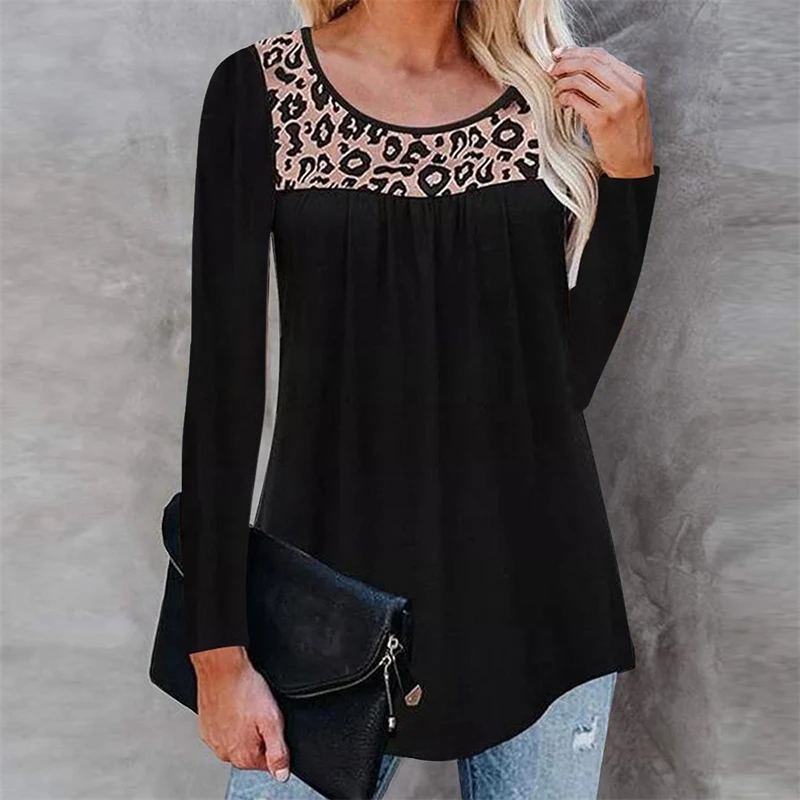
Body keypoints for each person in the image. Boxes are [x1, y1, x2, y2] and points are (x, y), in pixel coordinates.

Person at [178, 0, 661, 797]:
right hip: (324, 604)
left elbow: (558, 386)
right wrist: (217, 650)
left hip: (540, 597)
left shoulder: (545, 93)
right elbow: (223, 387)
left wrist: (630, 176)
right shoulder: (262, 88)